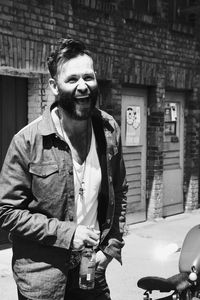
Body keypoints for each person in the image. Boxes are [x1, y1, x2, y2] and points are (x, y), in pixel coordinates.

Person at [0, 37, 128, 300]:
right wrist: (69, 234)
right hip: (43, 280)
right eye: (72, 80)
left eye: (88, 77)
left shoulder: (109, 130)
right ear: (53, 86)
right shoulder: (27, 141)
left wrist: (111, 247)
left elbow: (120, 190)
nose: (83, 86)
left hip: (92, 270)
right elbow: (7, 212)